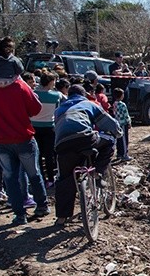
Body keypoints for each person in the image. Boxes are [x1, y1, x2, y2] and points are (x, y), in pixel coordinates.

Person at [0, 59, 48, 226]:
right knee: (34, 174)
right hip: (23, 138)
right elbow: (36, 109)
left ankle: (19, 215)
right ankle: (41, 206)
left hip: (0, 140)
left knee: (10, 178)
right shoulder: (19, 85)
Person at [52, 84, 122, 226]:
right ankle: (98, 173)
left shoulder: (59, 110)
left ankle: (61, 217)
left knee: (64, 179)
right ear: (84, 95)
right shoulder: (88, 104)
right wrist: (118, 132)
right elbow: (109, 124)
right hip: (85, 139)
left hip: (62, 145)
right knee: (109, 141)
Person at [31, 70, 62, 188]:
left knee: (37, 154)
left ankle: (41, 178)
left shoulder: (33, 94)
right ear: (49, 82)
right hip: (49, 127)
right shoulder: (56, 95)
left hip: (34, 127)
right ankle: (50, 178)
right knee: (49, 155)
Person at [111, 87, 132, 161]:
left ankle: (119, 154)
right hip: (123, 124)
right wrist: (129, 122)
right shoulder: (122, 104)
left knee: (119, 139)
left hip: (117, 123)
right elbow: (126, 115)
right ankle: (124, 154)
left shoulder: (114, 104)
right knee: (124, 139)